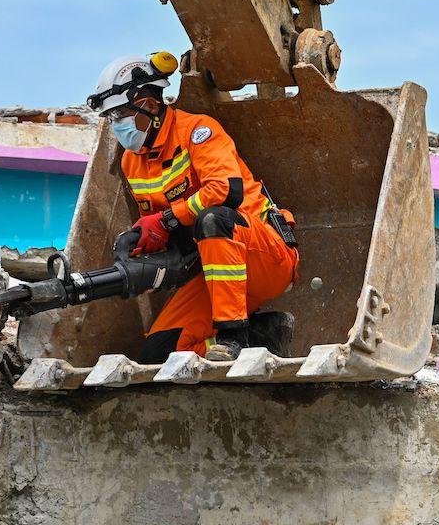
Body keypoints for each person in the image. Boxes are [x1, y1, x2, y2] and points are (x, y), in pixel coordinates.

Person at [87, 52, 299, 362]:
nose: (117, 125)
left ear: (149, 103)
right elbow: (165, 230)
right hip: (216, 271)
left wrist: (166, 220)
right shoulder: (131, 162)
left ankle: (233, 336)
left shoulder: (199, 131)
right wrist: (142, 246)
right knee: (158, 353)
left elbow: (226, 190)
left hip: (265, 257)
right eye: (112, 118)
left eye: (121, 114)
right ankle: (262, 336)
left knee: (214, 220)